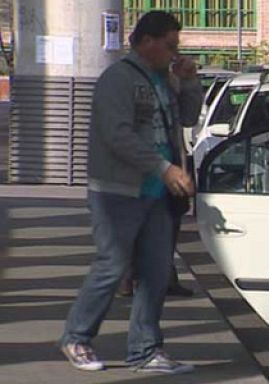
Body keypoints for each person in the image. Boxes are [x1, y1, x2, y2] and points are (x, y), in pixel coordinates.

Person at [60, 11, 202, 374]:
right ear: (147, 41)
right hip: (118, 191)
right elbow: (117, 135)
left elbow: (187, 118)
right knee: (113, 264)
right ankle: (77, 337)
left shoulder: (164, 79)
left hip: (157, 193)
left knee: (155, 271)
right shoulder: (118, 79)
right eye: (170, 46)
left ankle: (145, 350)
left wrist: (188, 83)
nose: (174, 53)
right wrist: (165, 168)